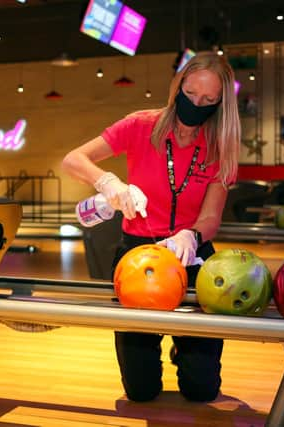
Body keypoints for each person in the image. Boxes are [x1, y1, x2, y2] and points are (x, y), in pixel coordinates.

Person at [61, 52, 241, 402]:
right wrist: (109, 183)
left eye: (208, 100)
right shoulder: (140, 125)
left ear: (220, 104)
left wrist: (192, 234)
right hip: (137, 253)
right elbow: (73, 159)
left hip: (191, 254)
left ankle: (186, 351)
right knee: (140, 392)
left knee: (201, 391)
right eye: (189, 95)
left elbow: (211, 216)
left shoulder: (222, 145)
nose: (196, 104)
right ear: (177, 87)